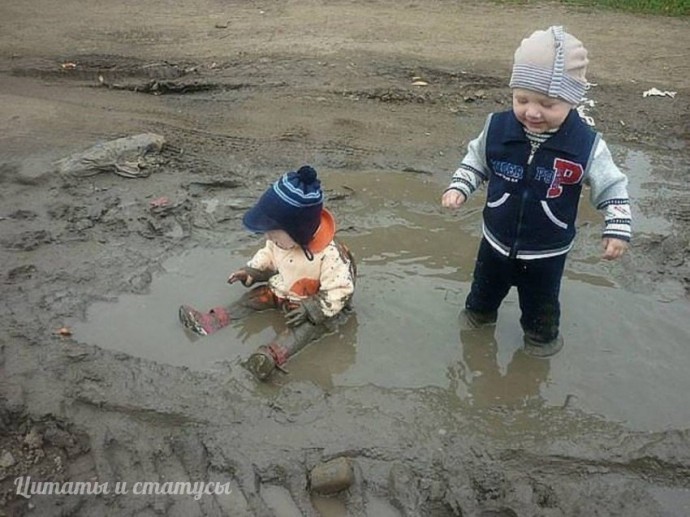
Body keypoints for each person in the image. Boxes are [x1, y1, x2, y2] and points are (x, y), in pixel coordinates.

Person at [441, 26, 631, 358]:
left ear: (572, 101)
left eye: (547, 104)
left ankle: (540, 348)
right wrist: (460, 186)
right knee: (481, 299)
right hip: (495, 242)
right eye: (522, 99)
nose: (532, 111)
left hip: (547, 252)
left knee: (541, 312)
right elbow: (476, 161)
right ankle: (475, 330)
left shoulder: (586, 146)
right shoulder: (497, 128)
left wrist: (617, 228)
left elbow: (612, 187)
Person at [179, 165, 356, 379]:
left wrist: (310, 309)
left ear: (298, 230)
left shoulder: (331, 255)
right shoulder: (279, 242)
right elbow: (268, 256)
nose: (269, 238)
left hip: (313, 308)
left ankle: (270, 357)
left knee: (303, 331)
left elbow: (341, 290)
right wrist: (251, 271)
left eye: (274, 233)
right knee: (253, 297)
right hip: (281, 292)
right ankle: (211, 321)